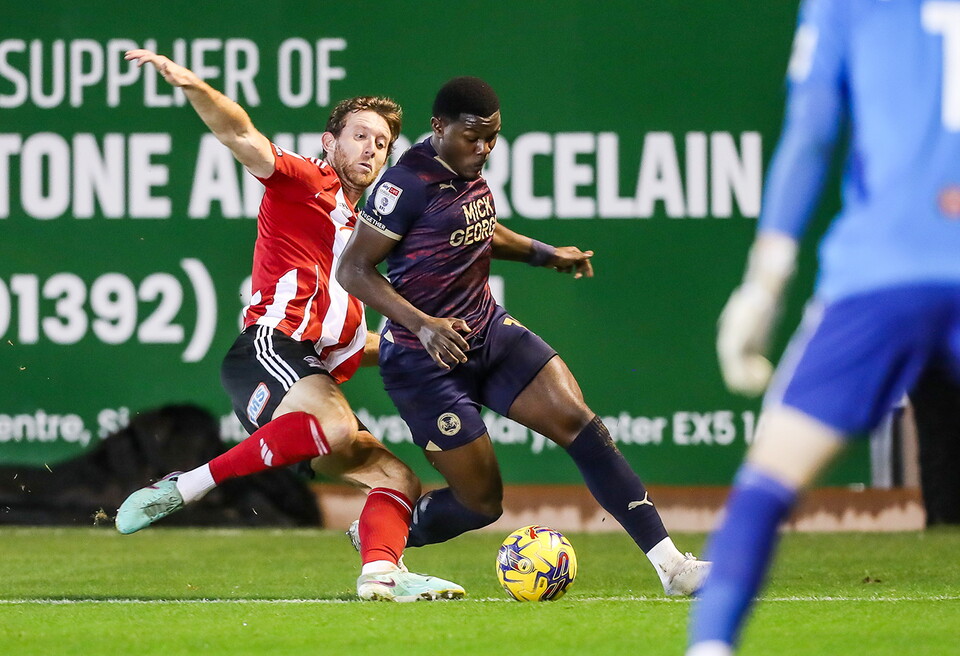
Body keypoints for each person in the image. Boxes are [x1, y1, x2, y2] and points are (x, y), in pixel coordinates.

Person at [337, 76, 710, 596]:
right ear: (438, 127)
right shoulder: (405, 186)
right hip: (424, 364)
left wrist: (544, 252)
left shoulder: (464, 169)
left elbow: (480, 226)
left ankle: (672, 567)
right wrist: (422, 325)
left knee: (581, 425)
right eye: (473, 136)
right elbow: (353, 270)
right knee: (480, 504)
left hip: (487, 332)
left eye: (493, 136)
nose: (485, 148)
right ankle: (384, 532)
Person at [114, 49, 464, 602]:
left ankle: (381, 575)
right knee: (337, 424)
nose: (371, 148)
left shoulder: (370, 231)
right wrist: (194, 86)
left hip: (309, 375)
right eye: (359, 135)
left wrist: (423, 338)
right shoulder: (305, 182)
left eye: (381, 142)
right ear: (330, 142)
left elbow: (351, 343)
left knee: (397, 479)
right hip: (267, 350)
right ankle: (187, 485)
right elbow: (241, 135)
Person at [690, 0, 960, 653]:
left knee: (765, 486)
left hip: (881, 272)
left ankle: (710, 647)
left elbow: (811, 131)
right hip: (888, 268)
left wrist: (765, 282)